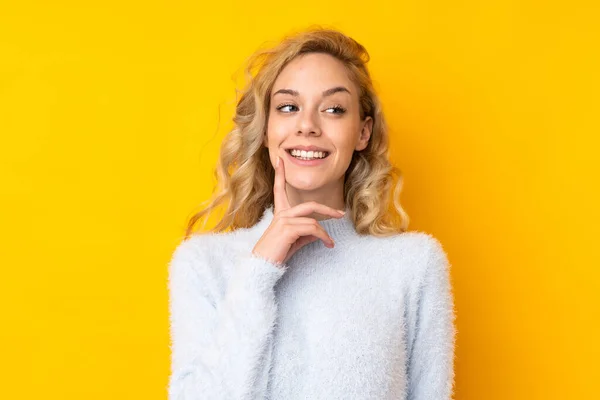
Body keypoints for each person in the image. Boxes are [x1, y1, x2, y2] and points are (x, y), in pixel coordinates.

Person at [167, 27, 456, 400]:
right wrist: (259, 270)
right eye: (288, 107)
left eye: (334, 109)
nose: (307, 125)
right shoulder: (203, 263)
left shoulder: (413, 264)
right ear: (267, 129)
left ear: (362, 133)